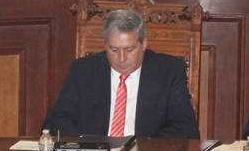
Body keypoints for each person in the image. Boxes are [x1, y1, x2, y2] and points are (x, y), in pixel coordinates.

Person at [42, 9, 200, 139]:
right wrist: (89, 145)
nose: (122, 58)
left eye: (129, 49)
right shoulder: (84, 70)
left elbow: (186, 130)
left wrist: (139, 148)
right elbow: (55, 122)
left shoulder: (168, 71)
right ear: (105, 45)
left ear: (144, 44)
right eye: (114, 49)